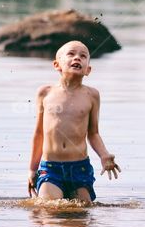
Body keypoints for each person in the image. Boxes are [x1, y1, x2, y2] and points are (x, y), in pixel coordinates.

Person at [27, 40, 120, 204]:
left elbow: (93, 133)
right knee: (48, 214)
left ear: (88, 70)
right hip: (50, 167)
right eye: (71, 54)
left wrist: (104, 155)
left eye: (83, 56)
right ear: (57, 65)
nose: (77, 58)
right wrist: (32, 169)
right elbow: (39, 133)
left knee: (82, 214)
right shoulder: (45, 93)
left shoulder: (92, 95)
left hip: (80, 168)